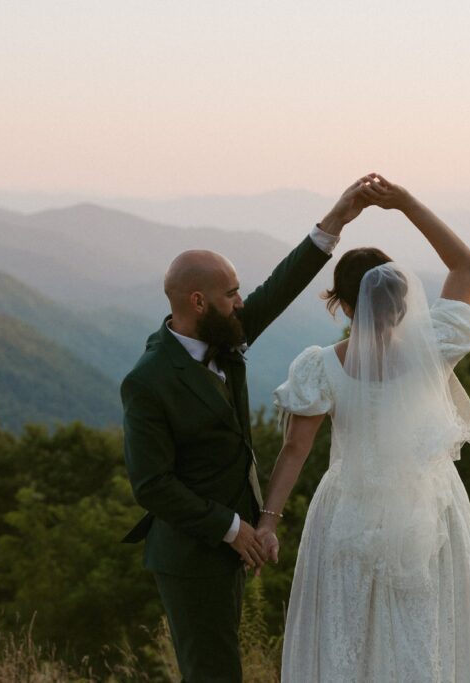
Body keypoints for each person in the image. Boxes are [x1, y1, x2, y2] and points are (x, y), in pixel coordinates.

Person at [119, 176, 374, 682]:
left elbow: (278, 290)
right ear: (197, 301)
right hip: (192, 555)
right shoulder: (148, 382)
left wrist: (336, 220)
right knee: (213, 673)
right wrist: (235, 530)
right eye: (231, 293)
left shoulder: (224, 336)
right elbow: (152, 485)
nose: (241, 302)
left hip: (233, 545)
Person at [258, 174, 470, 682]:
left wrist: (268, 522)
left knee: (349, 639)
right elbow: (465, 265)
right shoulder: (434, 348)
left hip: (348, 513)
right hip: (428, 512)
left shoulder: (318, 367)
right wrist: (404, 202)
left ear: (342, 304)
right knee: (426, 634)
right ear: (402, 301)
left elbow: (294, 451)